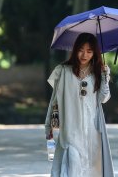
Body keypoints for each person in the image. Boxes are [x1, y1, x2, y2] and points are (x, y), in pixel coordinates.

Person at [44, 33, 114, 177]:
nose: (84, 55)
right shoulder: (63, 70)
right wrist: (48, 125)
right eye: (81, 50)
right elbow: (54, 99)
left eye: (89, 51)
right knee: (71, 167)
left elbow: (103, 98)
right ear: (75, 50)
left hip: (91, 130)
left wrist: (105, 78)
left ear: (94, 53)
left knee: (90, 169)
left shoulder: (98, 73)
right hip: (70, 130)